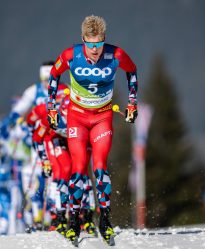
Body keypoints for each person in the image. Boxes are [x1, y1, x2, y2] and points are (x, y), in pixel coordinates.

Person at [46, 15, 138, 244]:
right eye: (90, 44)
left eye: (98, 44)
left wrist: (132, 103)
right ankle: (73, 222)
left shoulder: (115, 55)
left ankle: (104, 220)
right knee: (77, 171)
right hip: (76, 118)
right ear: (83, 41)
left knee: (100, 169)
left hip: (102, 118)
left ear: (104, 40)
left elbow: (132, 71)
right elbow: (54, 75)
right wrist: (52, 108)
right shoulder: (71, 55)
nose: (94, 50)